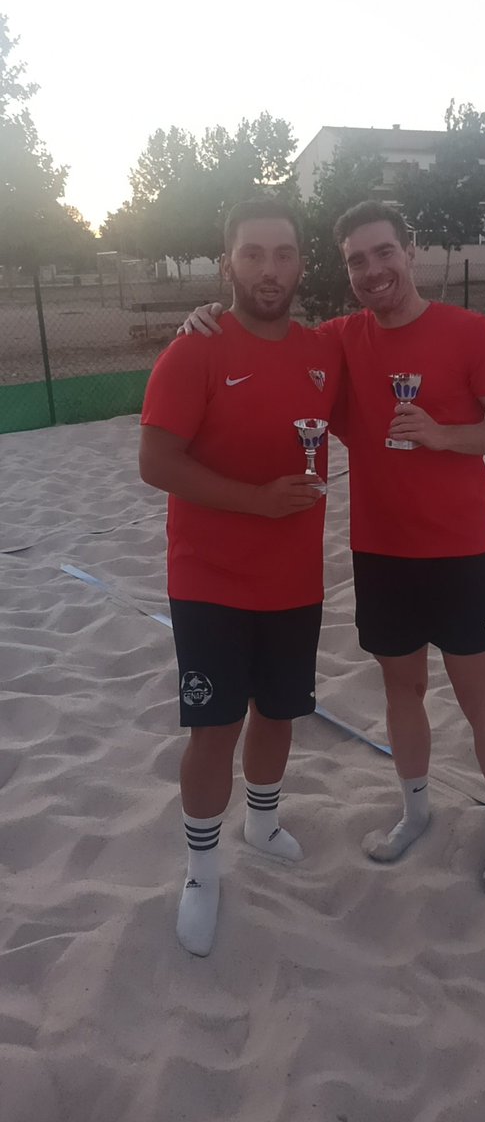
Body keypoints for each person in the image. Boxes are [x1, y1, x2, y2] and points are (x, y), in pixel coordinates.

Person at [180, 200, 485, 890]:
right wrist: (205, 317)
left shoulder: (469, 331)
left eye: (383, 252)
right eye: (357, 260)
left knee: (478, 698)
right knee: (402, 693)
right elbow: (266, 337)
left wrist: (443, 435)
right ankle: (415, 810)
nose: (373, 270)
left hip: (460, 551)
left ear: (410, 250)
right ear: (344, 270)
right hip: (381, 554)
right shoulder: (340, 339)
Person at [140, 199, 341, 956]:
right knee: (212, 727)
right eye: (252, 254)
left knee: (280, 712)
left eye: (283, 254)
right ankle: (200, 869)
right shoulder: (194, 351)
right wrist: (256, 503)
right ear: (227, 263)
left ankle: (261, 821)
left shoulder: (323, 348)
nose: (268, 269)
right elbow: (156, 461)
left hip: (295, 579)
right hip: (210, 580)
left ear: (300, 265)